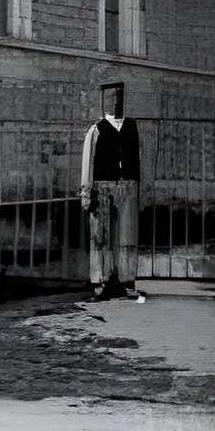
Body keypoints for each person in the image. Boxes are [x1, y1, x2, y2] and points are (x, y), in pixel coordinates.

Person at [79, 82, 143, 300]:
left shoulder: (132, 126)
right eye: (111, 98)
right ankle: (100, 282)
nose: (115, 102)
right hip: (102, 186)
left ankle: (127, 280)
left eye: (119, 98)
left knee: (127, 235)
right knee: (100, 236)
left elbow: (138, 158)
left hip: (129, 186)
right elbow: (88, 162)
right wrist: (87, 191)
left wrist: (139, 187)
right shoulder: (96, 128)